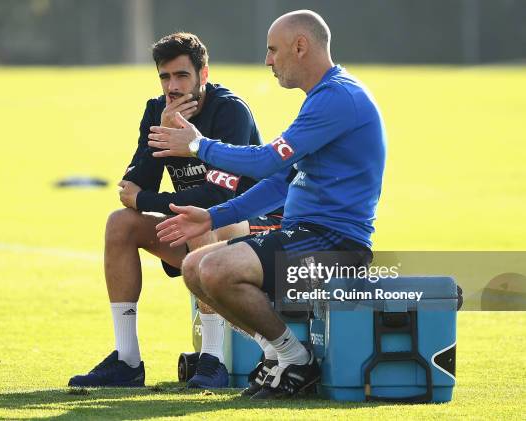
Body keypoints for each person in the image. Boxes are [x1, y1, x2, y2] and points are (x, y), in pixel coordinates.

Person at [148, 10, 386, 399]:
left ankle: (297, 361)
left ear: (300, 46)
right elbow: (279, 184)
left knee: (219, 270)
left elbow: (264, 161)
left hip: (335, 245)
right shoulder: (322, 99)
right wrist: (212, 215)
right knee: (194, 267)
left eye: (273, 50)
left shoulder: (339, 98)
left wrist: (197, 145)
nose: (268, 60)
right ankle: (279, 354)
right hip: (305, 236)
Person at [68, 32, 284, 389]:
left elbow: (216, 197)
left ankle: (213, 360)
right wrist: (165, 136)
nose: (172, 86)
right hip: (196, 226)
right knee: (120, 224)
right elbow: (133, 189)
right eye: (165, 77)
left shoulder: (230, 111)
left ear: (204, 74)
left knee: (202, 219)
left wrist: (149, 197)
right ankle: (127, 361)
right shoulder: (158, 111)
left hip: (256, 231)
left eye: (182, 75)